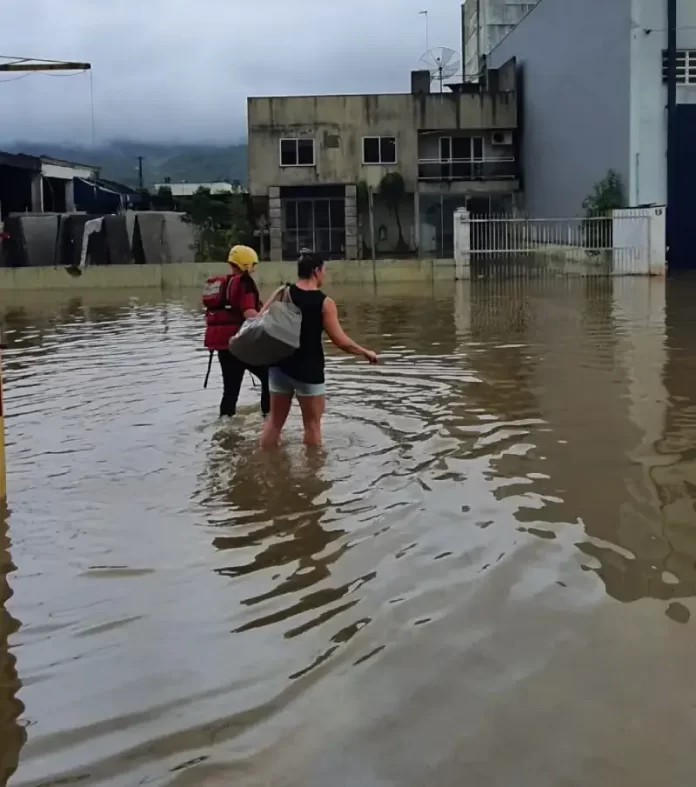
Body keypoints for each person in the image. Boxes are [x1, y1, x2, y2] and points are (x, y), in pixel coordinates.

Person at [260, 250, 378, 449]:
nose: (324, 274)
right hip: (309, 370)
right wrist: (365, 352)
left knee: (274, 423)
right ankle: (314, 474)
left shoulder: (282, 293)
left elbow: (260, 321)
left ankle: (265, 464)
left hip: (279, 367)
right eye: (324, 270)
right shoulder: (325, 303)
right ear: (316, 271)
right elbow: (340, 341)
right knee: (312, 426)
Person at [203, 245, 269, 418]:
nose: (254, 268)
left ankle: (225, 428)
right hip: (242, 345)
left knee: (230, 391)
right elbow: (249, 314)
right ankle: (268, 419)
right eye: (253, 264)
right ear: (245, 264)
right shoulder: (245, 283)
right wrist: (268, 320)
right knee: (270, 377)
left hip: (224, 346)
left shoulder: (223, 283)